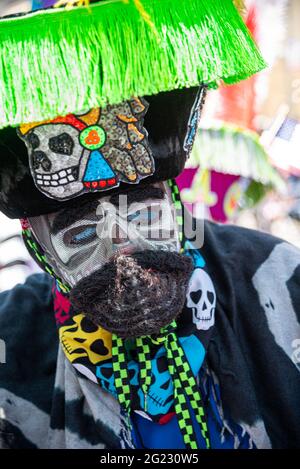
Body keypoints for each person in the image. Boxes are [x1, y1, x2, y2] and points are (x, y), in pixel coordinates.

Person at [0, 0, 299, 450]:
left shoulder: (279, 284)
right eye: (81, 234)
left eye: (142, 214)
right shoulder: (12, 346)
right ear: (39, 249)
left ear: (173, 205)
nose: (122, 247)